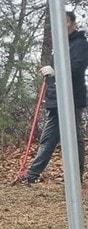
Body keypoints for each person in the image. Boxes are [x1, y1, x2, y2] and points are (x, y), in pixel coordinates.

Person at [22, 11, 88, 184]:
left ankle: (74, 177)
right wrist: (50, 73)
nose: (61, 26)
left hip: (71, 98)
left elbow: (77, 67)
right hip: (56, 98)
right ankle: (32, 175)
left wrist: (56, 71)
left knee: (73, 138)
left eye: (64, 22)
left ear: (72, 23)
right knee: (49, 137)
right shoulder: (60, 45)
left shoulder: (80, 44)